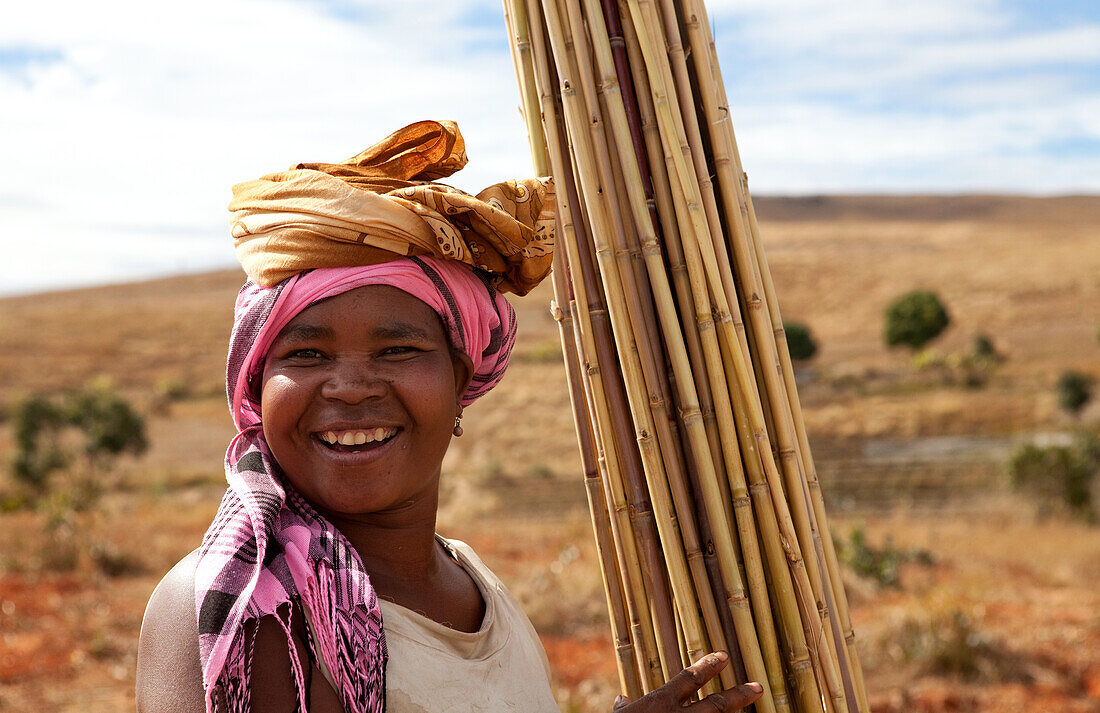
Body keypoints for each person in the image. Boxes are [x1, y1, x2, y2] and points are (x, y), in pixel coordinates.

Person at [135, 120, 764, 713]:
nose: (351, 387)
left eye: (398, 349)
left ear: (462, 379)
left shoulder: (476, 583)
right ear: (256, 383)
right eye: (306, 353)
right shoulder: (241, 606)